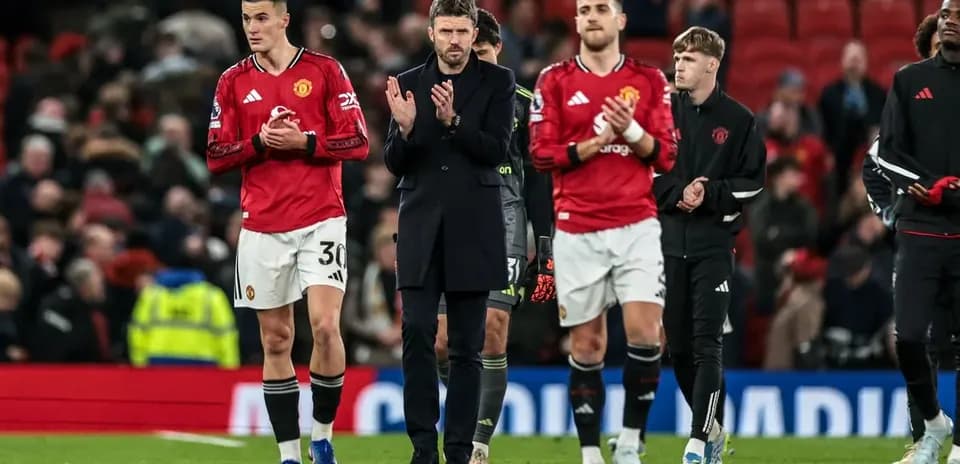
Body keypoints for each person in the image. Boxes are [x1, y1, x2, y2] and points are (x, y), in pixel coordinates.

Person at [205, 1, 370, 463]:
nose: (252, 27)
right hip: (262, 227)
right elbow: (216, 156)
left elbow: (357, 141)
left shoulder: (325, 70)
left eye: (261, 18)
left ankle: (322, 437)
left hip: (320, 219)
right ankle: (288, 455)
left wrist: (306, 142)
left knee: (324, 326)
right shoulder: (233, 81)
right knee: (276, 340)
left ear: (283, 20)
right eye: (245, 18)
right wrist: (259, 142)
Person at [529, 1, 677, 463]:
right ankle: (591, 452)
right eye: (584, 9)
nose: (592, 16)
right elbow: (540, 151)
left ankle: (631, 442)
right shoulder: (553, 80)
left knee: (645, 333)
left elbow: (667, 155)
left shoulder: (649, 80)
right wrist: (593, 144)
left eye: (602, 8)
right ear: (576, 22)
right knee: (588, 343)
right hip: (578, 228)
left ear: (621, 20)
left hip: (636, 224)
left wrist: (630, 131)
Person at [382, 0, 516, 462]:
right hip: (420, 227)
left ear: (474, 31)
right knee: (417, 333)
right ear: (431, 33)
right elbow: (394, 163)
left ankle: (457, 450)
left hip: (473, 228)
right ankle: (423, 447)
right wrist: (404, 131)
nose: (455, 40)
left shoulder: (498, 82)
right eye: (447, 31)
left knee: (466, 348)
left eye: (462, 31)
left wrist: (453, 123)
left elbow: (498, 149)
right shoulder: (407, 83)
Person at [431, 8, 550, 464]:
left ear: (496, 48)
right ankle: (469, 398)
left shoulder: (521, 101)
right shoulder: (439, 94)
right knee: (444, 342)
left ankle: (478, 444)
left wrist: (547, 241)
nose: (473, 60)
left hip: (506, 216)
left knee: (493, 331)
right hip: (452, 217)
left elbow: (538, 178)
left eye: (481, 50)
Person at [655, 26, 765, 464]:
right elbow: (647, 170)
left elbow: (754, 183)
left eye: (688, 58)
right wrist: (676, 193)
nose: (679, 64)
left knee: (706, 344)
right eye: (677, 56)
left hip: (713, 245)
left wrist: (711, 193)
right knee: (678, 348)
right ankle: (713, 427)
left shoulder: (738, 120)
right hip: (666, 244)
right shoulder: (661, 112)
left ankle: (699, 442)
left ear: (712, 65)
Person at [861, 12, 952, 464]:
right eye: (936, 39)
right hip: (920, 230)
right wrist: (891, 211)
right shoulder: (911, 94)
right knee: (917, 338)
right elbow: (876, 162)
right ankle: (926, 437)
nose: (943, 44)